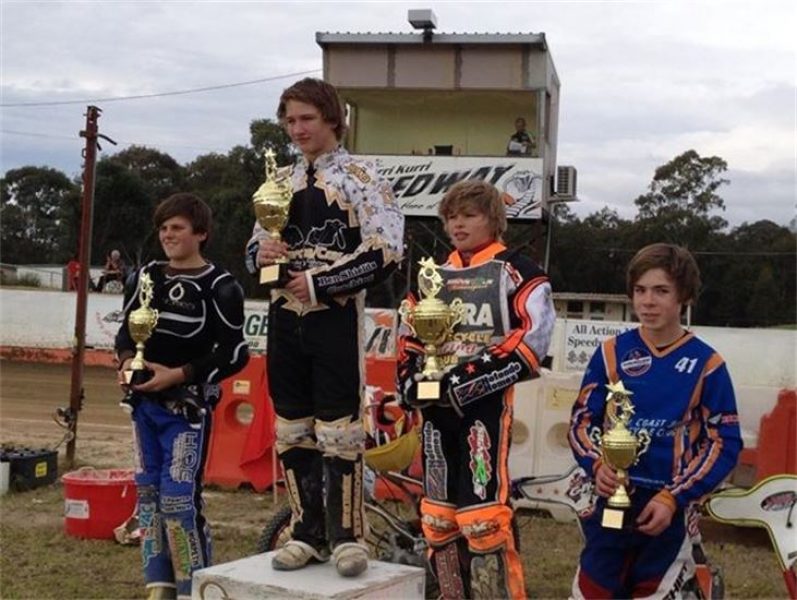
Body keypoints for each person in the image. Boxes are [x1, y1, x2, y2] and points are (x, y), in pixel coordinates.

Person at [245, 77, 404, 577]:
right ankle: (305, 529)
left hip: (335, 316)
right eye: (290, 121)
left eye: (307, 119)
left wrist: (319, 283)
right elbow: (253, 249)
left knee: (339, 430)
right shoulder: (276, 184)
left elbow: (386, 249)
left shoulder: (363, 177)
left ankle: (348, 535)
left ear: (333, 119)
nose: (298, 129)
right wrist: (262, 255)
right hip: (282, 319)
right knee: (291, 425)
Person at [397, 180, 556, 599]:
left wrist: (465, 379)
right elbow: (408, 335)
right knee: (436, 518)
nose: (458, 224)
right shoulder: (433, 274)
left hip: (483, 408)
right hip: (433, 412)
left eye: (468, 215)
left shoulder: (518, 270)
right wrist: (410, 380)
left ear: (494, 220)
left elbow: (532, 342)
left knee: (483, 518)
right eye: (451, 217)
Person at [568, 243, 742, 599]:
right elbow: (582, 422)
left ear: (685, 296)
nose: (648, 301)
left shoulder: (707, 364)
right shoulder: (611, 353)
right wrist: (597, 463)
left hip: (668, 510)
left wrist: (673, 497)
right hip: (611, 500)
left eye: (661, 291)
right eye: (640, 290)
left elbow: (724, 442)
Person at [115, 193, 249, 600]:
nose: (168, 235)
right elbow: (125, 334)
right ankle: (159, 586)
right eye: (163, 228)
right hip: (143, 407)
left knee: (178, 501)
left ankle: (194, 588)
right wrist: (125, 364)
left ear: (201, 233)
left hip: (187, 410)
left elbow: (235, 353)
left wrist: (178, 374)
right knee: (148, 497)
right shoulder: (144, 277)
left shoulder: (221, 286)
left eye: (178, 227)